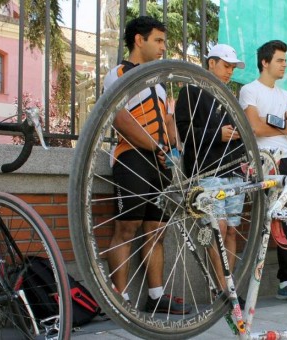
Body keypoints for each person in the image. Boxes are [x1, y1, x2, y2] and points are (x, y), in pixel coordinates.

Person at [103, 16, 190, 314]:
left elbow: (167, 119)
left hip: (161, 163)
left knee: (156, 229)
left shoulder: (160, 82)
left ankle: (156, 296)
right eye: (158, 40)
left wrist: (174, 148)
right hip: (131, 158)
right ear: (139, 40)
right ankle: (120, 299)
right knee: (127, 227)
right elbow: (120, 118)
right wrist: (154, 145)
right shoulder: (118, 74)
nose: (163, 47)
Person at [239, 40, 287, 308]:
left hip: (286, 161)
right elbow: (254, 128)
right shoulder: (249, 90)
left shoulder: (284, 95)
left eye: (285, 60)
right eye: (280, 60)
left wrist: (272, 123)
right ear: (265, 62)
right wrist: (279, 124)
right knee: (272, 222)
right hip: (262, 162)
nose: (285, 65)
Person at [175, 44, 247, 293]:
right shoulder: (191, 92)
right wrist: (218, 134)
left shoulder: (229, 96)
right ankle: (223, 289)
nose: (230, 72)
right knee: (218, 227)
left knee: (232, 231)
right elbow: (184, 132)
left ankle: (230, 286)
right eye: (226, 66)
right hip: (205, 171)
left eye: (232, 68)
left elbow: (241, 134)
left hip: (233, 171)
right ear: (211, 63)